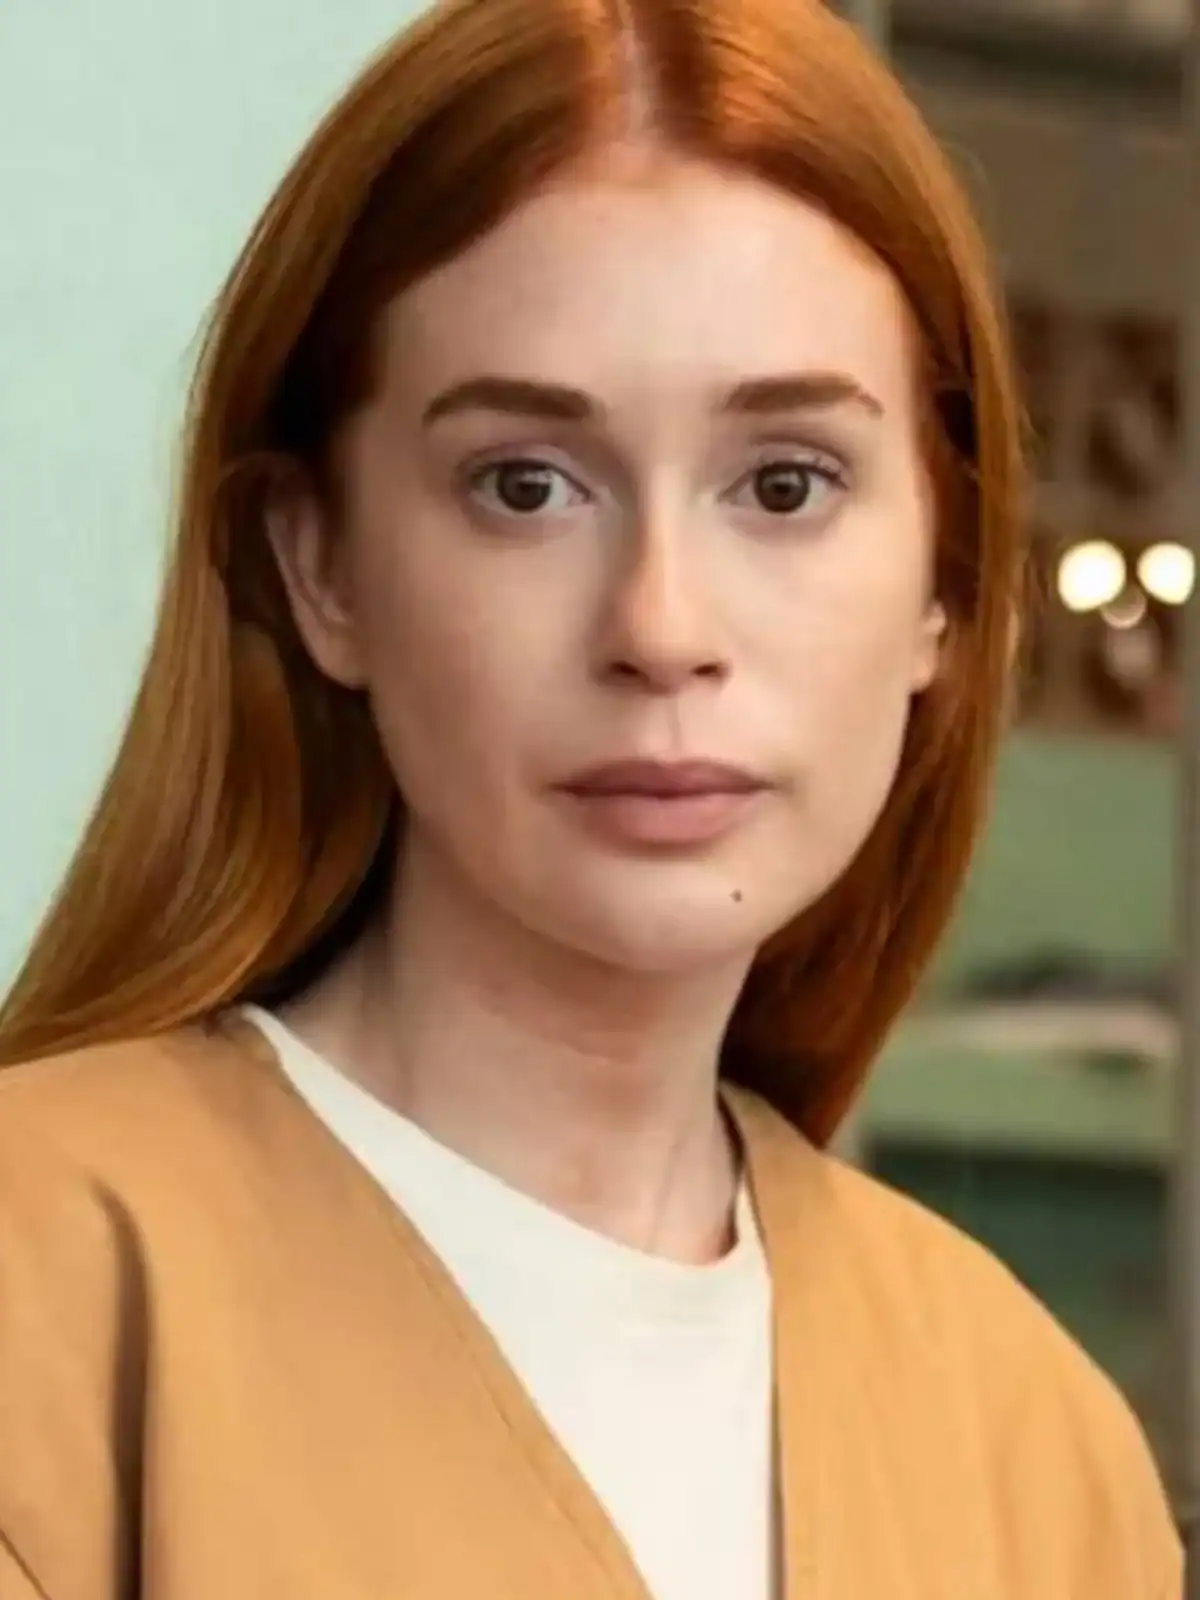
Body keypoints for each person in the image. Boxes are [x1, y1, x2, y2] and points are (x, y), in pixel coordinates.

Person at [0, 0, 1181, 1595]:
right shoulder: (46, 1287)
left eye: (785, 484)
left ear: (947, 588)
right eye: (526, 486)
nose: (662, 627)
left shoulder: (1035, 1444)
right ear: (320, 564)